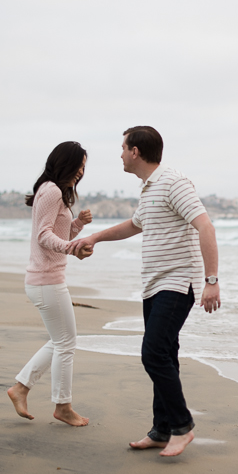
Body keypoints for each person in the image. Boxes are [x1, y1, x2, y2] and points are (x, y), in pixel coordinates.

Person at [70, 126, 220, 456]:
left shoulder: (173, 182)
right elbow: (134, 225)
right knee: (164, 354)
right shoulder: (149, 188)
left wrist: (211, 281)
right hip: (154, 285)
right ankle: (162, 429)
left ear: (135, 151)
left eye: (123, 148)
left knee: (152, 353)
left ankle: (182, 427)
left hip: (178, 282)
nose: (121, 154)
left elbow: (205, 225)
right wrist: (94, 238)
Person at [7, 141, 94, 427]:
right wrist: (73, 248)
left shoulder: (52, 191)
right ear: (64, 163)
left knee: (60, 341)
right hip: (46, 280)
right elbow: (44, 236)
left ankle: (20, 388)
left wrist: (77, 225)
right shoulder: (52, 190)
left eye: (84, 166)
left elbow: (56, 231)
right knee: (66, 343)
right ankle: (62, 406)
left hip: (45, 279)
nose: (81, 171)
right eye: (79, 164)